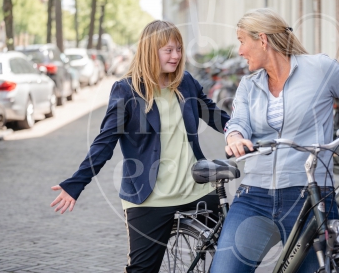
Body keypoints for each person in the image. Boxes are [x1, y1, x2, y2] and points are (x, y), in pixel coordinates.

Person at [50, 20, 230, 273]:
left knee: (235, 253)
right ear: (150, 50)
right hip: (149, 198)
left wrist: (238, 132)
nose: (176, 56)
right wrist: (76, 183)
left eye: (178, 49)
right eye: (168, 50)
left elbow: (214, 115)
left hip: (196, 188)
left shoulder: (186, 82)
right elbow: (106, 140)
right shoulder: (126, 90)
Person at [211, 9, 339, 272]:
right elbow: (238, 122)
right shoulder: (248, 85)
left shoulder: (320, 68)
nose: (240, 51)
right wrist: (234, 136)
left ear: (262, 40)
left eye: (242, 41)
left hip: (310, 195)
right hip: (255, 195)